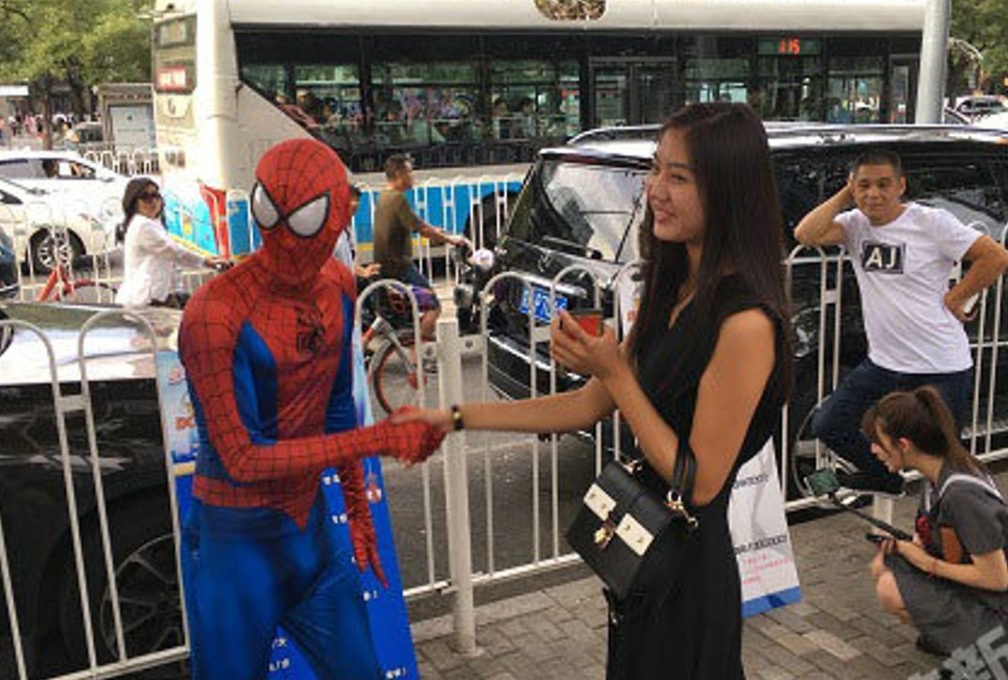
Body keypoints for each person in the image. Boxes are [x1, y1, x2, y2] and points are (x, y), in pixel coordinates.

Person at [395, 102, 792, 678]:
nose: (656, 189)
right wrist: (454, 416)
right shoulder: (673, 285)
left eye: (678, 177)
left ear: (729, 190)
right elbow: (587, 403)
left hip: (688, 578)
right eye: (656, 170)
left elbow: (699, 481)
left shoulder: (745, 323)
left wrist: (616, 372)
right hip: (640, 558)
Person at [177, 138, 446, 679]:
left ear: (336, 218)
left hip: (311, 535)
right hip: (236, 547)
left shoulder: (336, 286)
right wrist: (377, 441)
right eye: (270, 213)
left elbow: (336, 404)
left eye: (302, 219)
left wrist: (359, 512)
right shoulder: (215, 313)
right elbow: (243, 459)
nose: (283, 240)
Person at [794, 149, 1008, 496]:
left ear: (901, 186)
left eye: (883, 184)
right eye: (864, 185)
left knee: (944, 466)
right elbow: (806, 234)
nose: (873, 193)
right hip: (884, 362)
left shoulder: (930, 222)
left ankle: (953, 539)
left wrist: (956, 297)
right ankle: (884, 478)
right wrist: (847, 194)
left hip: (939, 365)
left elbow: (995, 256)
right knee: (829, 424)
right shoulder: (854, 225)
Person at [863, 386, 1008, 657]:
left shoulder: (961, 495)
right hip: (985, 596)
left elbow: (997, 579)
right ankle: (955, 638)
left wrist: (926, 562)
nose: (873, 449)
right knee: (886, 566)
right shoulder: (941, 472)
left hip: (998, 606)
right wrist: (911, 549)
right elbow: (935, 538)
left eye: (877, 441)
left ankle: (984, 651)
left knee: (890, 587)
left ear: (903, 444)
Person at [372, 154, 468, 339]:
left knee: (413, 309)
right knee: (433, 306)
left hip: (387, 266)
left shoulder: (385, 196)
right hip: (400, 267)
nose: (413, 176)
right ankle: (419, 356)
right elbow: (421, 228)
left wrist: (436, 231)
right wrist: (452, 240)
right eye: (410, 171)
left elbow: (415, 223)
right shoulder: (397, 199)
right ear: (400, 174)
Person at [114, 177, 224, 309]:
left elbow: (171, 259)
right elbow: (173, 251)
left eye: (156, 195)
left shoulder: (153, 223)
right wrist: (206, 262)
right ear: (134, 203)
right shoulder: (142, 225)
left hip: (159, 297)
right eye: (146, 197)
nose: (153, 201)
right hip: (145, 302)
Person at [336, 184, 380, 280]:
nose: (355, 203)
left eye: (357, 200)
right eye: (351, 200)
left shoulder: (348, 228)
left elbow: (349, 262)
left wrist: (364, 272)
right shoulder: (334, 232)